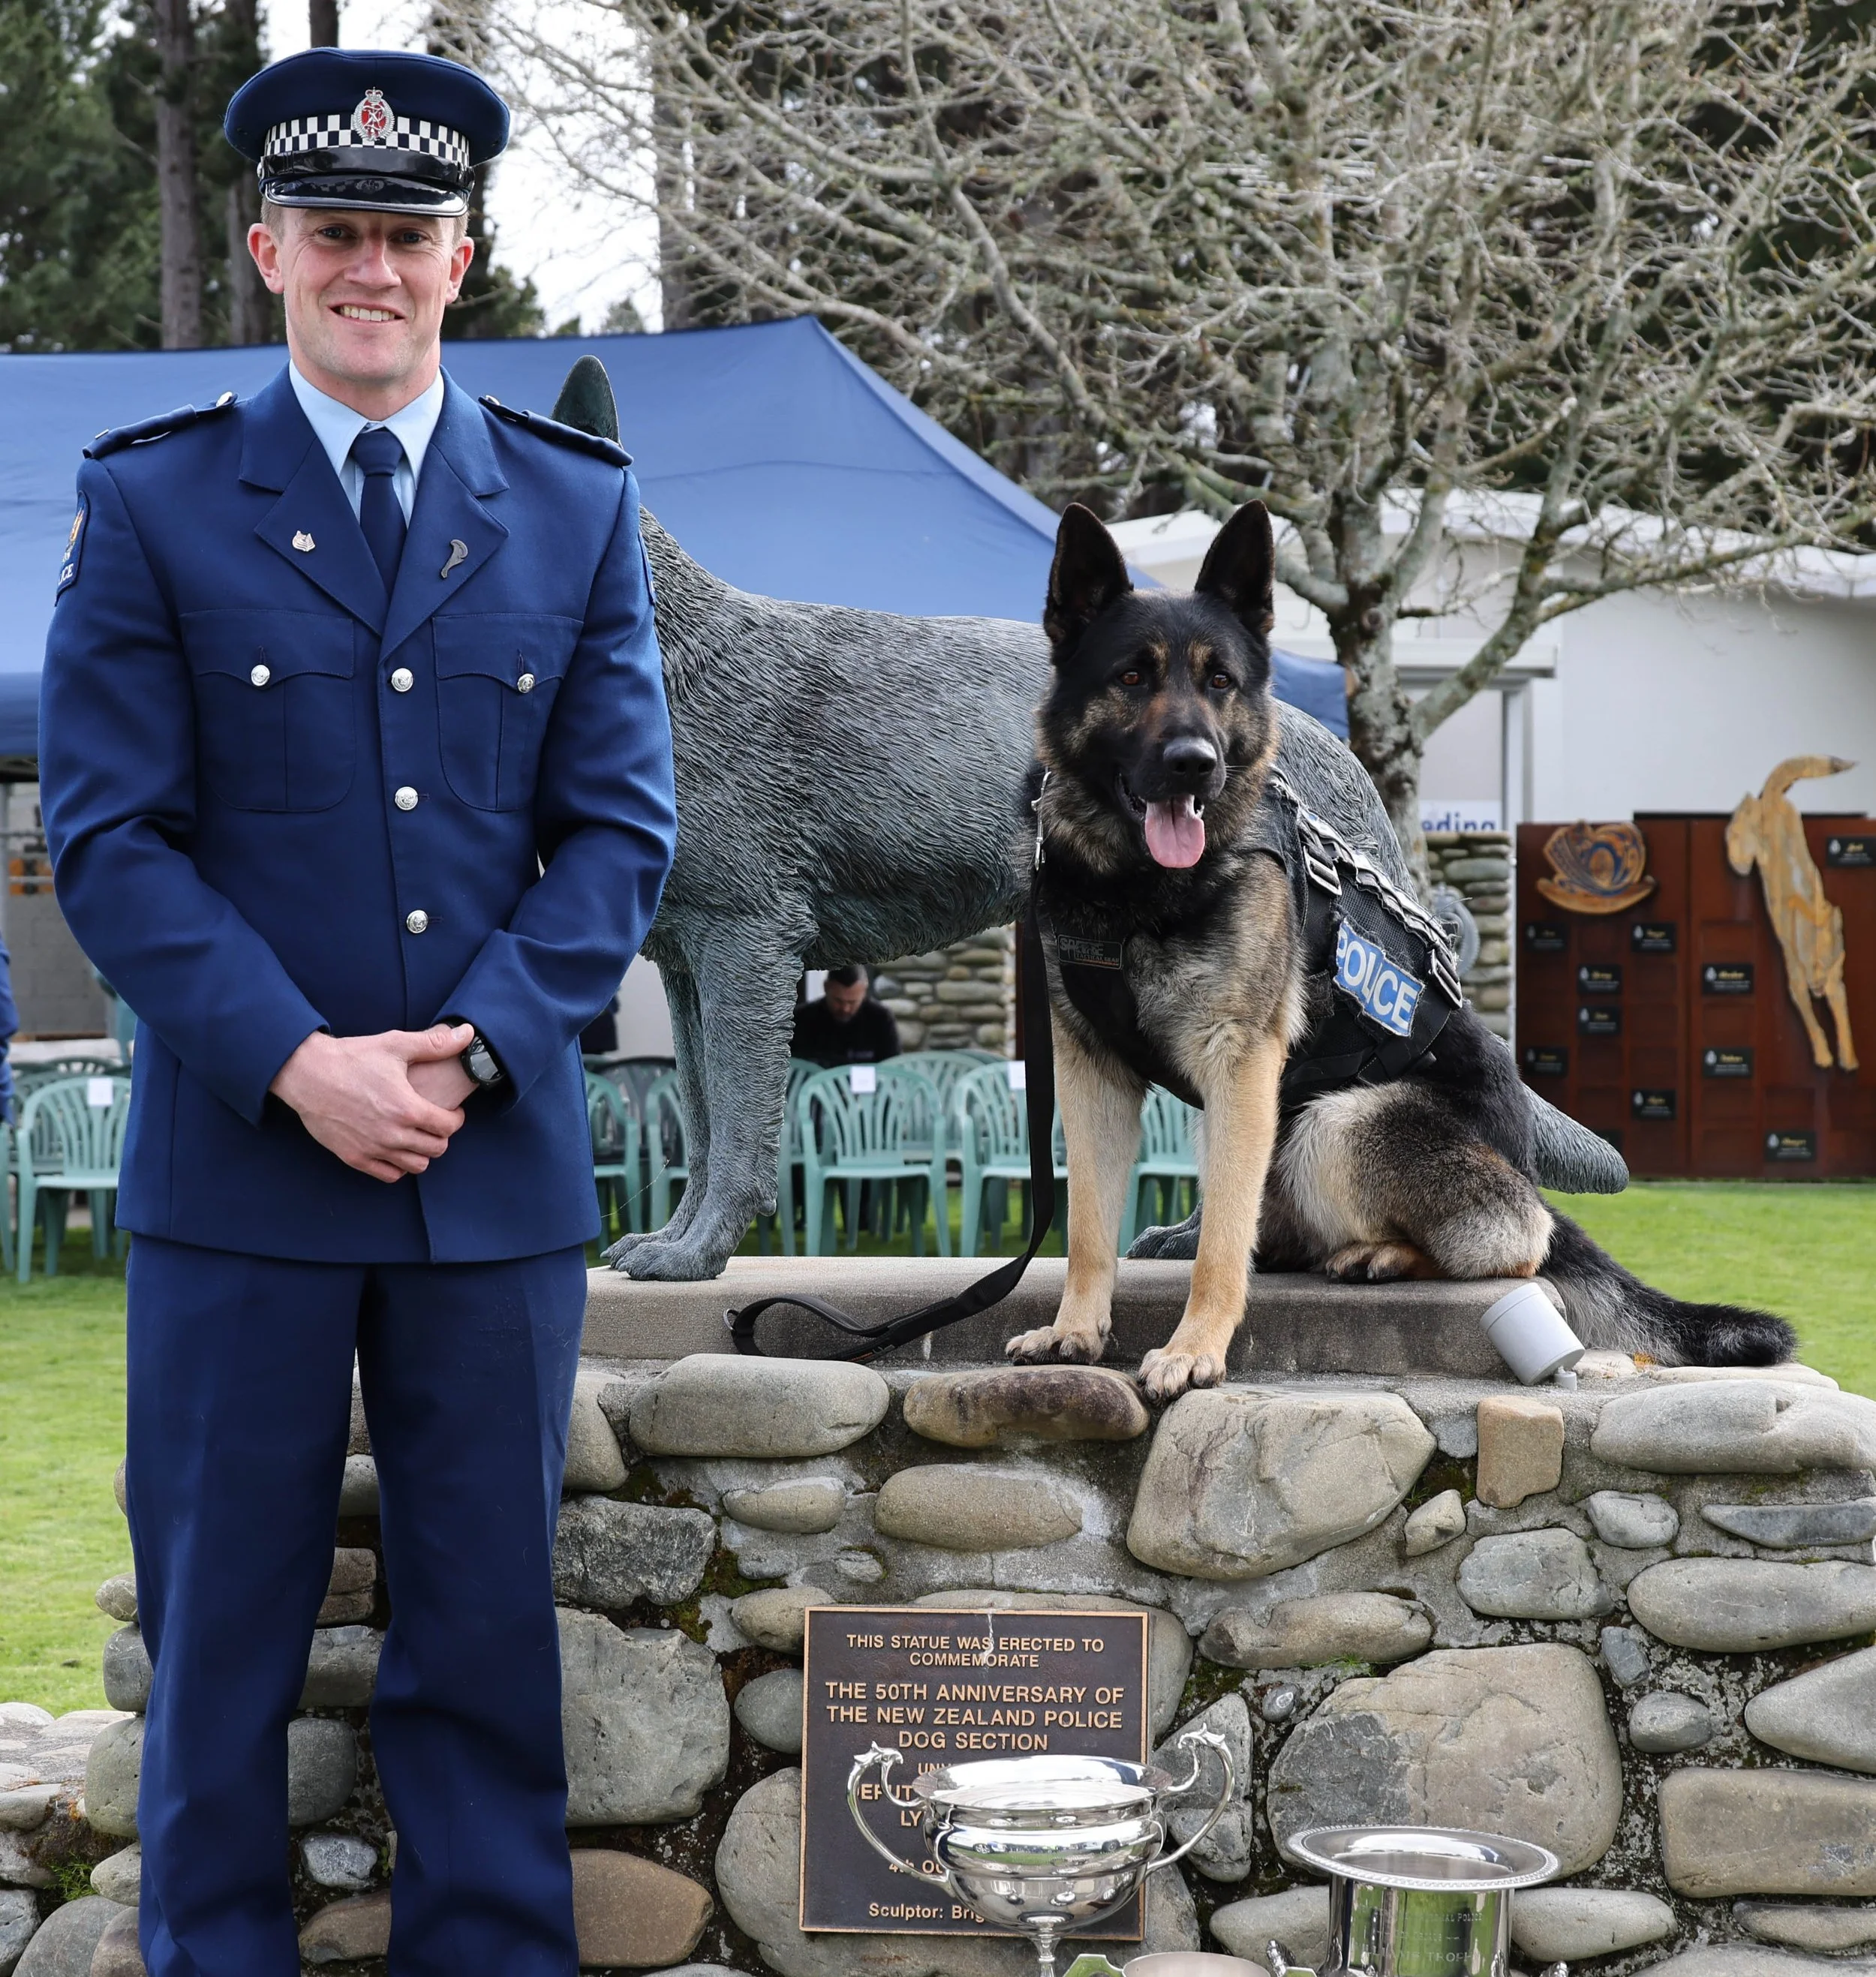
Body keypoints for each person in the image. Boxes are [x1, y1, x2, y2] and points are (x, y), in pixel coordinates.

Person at [39, 47, 675, 1977]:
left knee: (482, 1623)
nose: (371, 270)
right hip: (244, 1173)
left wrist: (476, 1047)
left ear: (462, 256)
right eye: (337, 235)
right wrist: (299, 1064)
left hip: (488, 1179)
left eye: (406, 235)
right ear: (267, 250)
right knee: (221, 1627)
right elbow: (114, 837)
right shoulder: (154, 505)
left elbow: (619, 830)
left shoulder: (572, 514)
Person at [790, 962, 901, 1067]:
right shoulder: (802, 1018)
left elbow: (892, 1068)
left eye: (852, 1002)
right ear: (826, 987)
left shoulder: (881, 1019)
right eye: (838, 1001)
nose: (845, 1008)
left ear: (864, 991)